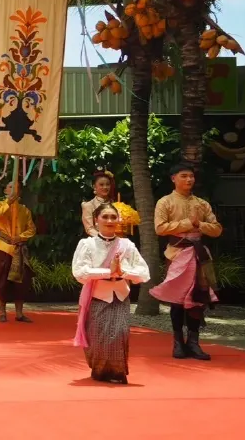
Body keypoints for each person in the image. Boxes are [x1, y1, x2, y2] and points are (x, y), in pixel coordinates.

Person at [149, 162, 222, 361]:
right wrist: (189, 223)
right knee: (177, 300)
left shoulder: (202, 203)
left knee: (198, 299)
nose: (189, 179)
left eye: (191, 176)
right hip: (176, 254)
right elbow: (160, 228)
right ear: (173, 178)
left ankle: (193, 342)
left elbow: (217, 229)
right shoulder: (165, 202)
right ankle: (178, 342)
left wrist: (200, 224)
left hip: (199, 255)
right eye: (184, 176)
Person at [72, 203, 151, 384]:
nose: (109, 221)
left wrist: (123, 272)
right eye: (105, 217)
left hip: (120, 295)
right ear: (96, 220)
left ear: (118, 220)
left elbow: (144, 272)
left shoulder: (127, 245)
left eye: (113, 217)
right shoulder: (87, 244)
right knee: (98, 337)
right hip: (97, 295)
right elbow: (79, 272)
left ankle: (117, 372)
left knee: (119, 334)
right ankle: (99, 371)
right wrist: (109, 272)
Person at [0, 181, 35, 323]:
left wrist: (20, 237)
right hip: (3, 247)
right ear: (5, 190)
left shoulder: (25, 210)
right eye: (10, 186)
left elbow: (31, 229)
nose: (13, 189)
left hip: (18, 248)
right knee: (1, 281)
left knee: (21, 282)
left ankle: (19, 313)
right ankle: (2, 312)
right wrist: (8, 203)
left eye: (16, 187)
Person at [81, 169, 117, 237]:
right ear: (94, 187)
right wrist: (104, 238)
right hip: (97, 241)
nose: (105, 187)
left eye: (108, 184)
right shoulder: (88, 205)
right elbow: (89, 229)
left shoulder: (115, 204)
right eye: (101, 185)